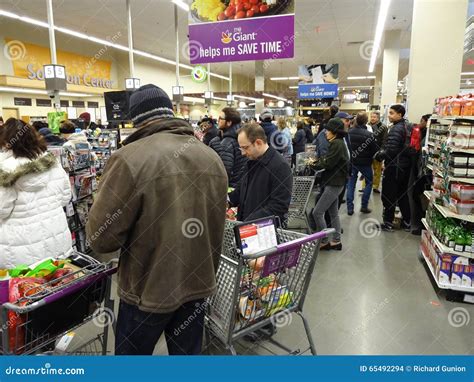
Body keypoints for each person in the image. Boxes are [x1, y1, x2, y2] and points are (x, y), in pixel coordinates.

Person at [86, 84, 228, 356]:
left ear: (136, 119)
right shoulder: (210, 157)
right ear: (171, 112)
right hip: (198, 284)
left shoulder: (128, 159)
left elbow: (101, 239)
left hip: (147, 291)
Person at [0, 118, 72, 269]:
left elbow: (1, 210)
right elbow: (66, 197)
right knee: (58, 285)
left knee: (27, 290)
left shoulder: (5, 170)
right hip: (56, 239)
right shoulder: (52, 162)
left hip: (20, 249)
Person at [229, 123, 292, 225]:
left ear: (258, 142)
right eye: (241, 148)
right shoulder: (251, 162)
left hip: (264, 232)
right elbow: (241, 191)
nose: (243, 153)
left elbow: (279, 206)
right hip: (247, 227)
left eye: (245, 148)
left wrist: (248, 222)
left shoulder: (280, 166)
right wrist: (227, 201)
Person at [311, 118, 349, 250]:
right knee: (333, 213)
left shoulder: (336, 144)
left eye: (328, 130)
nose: (326, 132)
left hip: (334, 182)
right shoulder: (338, 142)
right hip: (336, 182)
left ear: (335, 132)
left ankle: (325, 240)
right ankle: (336, 240)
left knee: (317, 212)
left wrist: (313, 164)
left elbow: (328, 163)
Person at [375, 104, 412, 232]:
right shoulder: (407, 126)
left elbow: (392, 149)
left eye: (391, 113)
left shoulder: (396, 129)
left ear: (399, 115)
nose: (389, 115)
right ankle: (407, 222)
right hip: (404, 167)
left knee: (388, 195)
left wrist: (379, 156)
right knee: (402, 195)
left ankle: (388, 223)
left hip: (394, 167)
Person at [346, 112, 378, 215]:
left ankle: (350, 208)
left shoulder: (349, 132)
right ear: (365, 121)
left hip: (352, 162)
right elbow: (375, 150)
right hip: (365, 163)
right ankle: (364, 206)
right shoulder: (369, 135)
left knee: (351, 183)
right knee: (369, 182)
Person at [210, 107, 248, 188]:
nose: (218, 120)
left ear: (229, 122)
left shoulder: (227, 142)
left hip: (231, 187)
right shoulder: (243, 137)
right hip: (244, 185)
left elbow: (225, 171)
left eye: (221, 118)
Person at [411, 113, 432, 235]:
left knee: (419, 197)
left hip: (425, 174)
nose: (420, 122)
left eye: (422, 121)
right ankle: (421, 224)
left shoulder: (426, 135)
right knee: (417, 196)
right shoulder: (421, 132)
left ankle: (422, 225)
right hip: (421, 172)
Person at [361, 111, 388, 194]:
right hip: (367, 151)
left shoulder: (383, 127)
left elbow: (384, 140)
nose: (372, 118)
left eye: (374, 117)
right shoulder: (366, 126)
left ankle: (375, 186)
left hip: (378, 151)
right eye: (371, 117)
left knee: (377, 170)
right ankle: (364, 186)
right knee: (366, 169)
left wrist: (382, 150)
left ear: (378, 118)